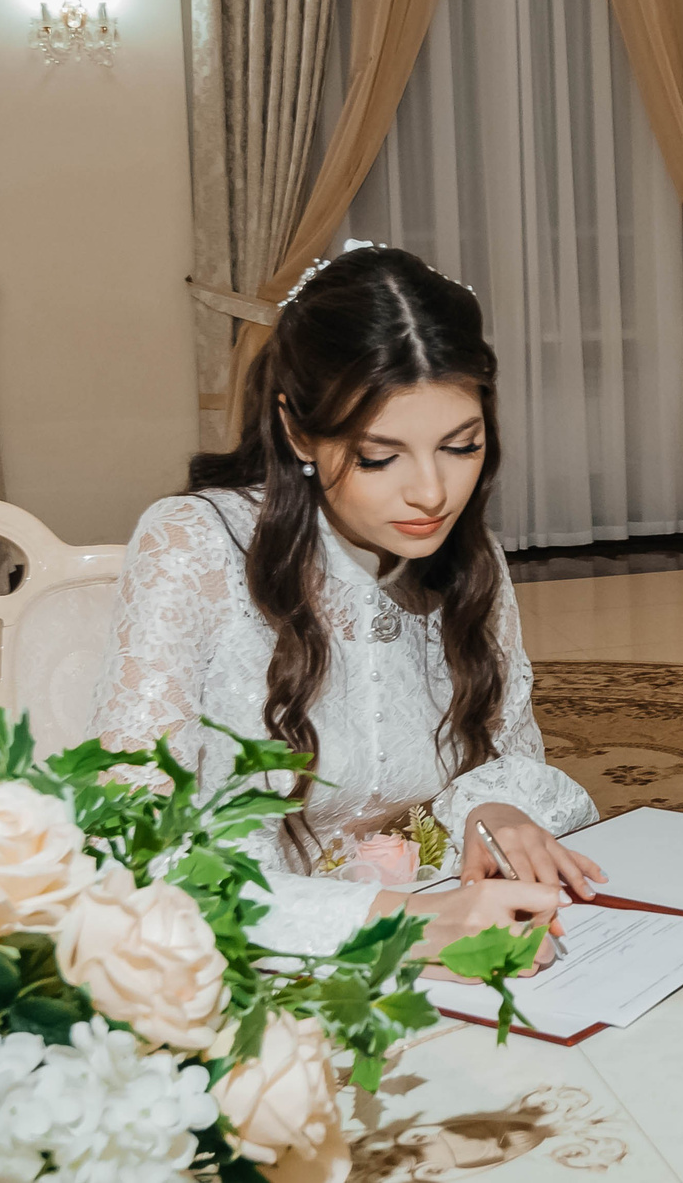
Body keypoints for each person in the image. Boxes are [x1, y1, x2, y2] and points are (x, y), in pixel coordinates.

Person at [89, 244, 603, 965]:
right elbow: (131, 846)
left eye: (461, 446)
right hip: (237, 963)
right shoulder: (196, 545)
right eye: (378, 457)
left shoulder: (468, 557)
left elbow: (512, 757)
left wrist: (492, 806)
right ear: (298, 431)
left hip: (444, 931)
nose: (432, 493)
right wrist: (408, 925)